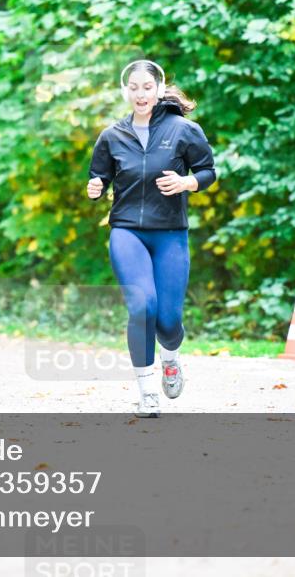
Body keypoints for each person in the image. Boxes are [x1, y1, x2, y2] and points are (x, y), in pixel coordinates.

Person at [87, 60, 216, 418]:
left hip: (171, 234)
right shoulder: (112, 135)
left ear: (159, 89)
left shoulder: (184, 130)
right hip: (126, 231)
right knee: (142, 307)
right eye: (134, 87)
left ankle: (171, 359)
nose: (140, 94)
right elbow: (99, 178)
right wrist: (96, 188)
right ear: (125, 91)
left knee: (169, 321)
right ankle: (147, 392)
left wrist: (187, 182)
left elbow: (208, 171)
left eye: (147, 87)